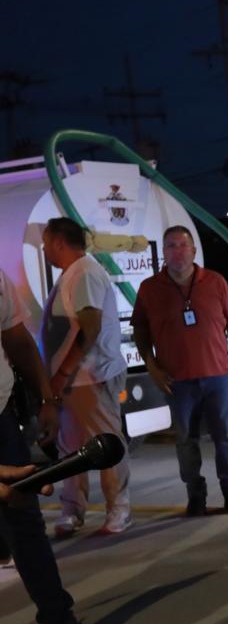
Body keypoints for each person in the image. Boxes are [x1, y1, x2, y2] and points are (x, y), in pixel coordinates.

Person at [0, 267, 121, 624]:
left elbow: (16, 338)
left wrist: (47, 400)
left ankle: (58, 620)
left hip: (1, 419)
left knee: (24, 519)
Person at [131, 225, 228, 516]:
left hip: (217, 375)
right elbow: (140, 331)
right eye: (171, 246)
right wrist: (152, 367)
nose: (178, 252)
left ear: (194, 250)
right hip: (177, 381)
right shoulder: (150, 288)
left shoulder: (215, 281)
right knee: (186, 440)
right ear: (163, 252)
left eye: (183, 245)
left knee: (226, 437)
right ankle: (195, 495)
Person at [40, 217, 133, 538]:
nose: (44, 250)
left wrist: (64, 371)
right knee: (70, 450)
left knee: (105, 444)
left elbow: (89, 327)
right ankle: (72, 510)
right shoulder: (72, 274)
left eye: (45, 243)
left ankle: (119, 510)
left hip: (91, 378)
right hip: (73, 382)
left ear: (58, 243)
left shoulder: (85, 273)